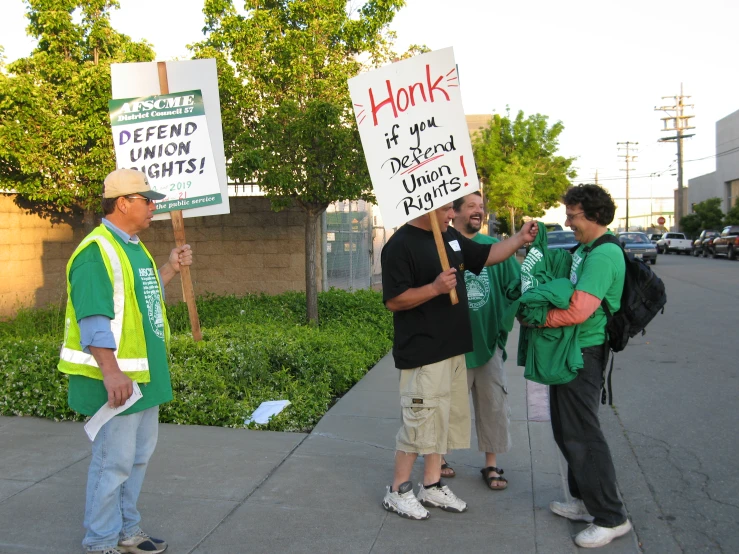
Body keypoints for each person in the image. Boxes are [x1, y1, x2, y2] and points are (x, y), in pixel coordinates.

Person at [58, 168, 192, 554]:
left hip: (143, 378)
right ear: (123, 203)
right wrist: (112, 372)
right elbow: (93, 319)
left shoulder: (132, 245)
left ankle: (127, 532)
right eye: (147, 201)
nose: (154, 207)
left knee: (135, 459)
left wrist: (170, 267)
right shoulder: (95, 252)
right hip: (117, 381)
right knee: (112, 462)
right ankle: (100, 542)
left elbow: (140, 296)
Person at [380, 201, 537, 520]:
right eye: (446, 210)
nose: (452, 215)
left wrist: (519, 239)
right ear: (425, 209)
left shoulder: (449, 236)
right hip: (423, 353)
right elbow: (394, 300)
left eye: (453, 209)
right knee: (419, 420)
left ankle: (432, 484)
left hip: (454, 351)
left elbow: (486, 256)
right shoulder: (399, 245)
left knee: (443, 422)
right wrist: (435, 288)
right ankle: (397, 491)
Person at [542, 184, 632, 548]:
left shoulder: (604, 255)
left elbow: (579, 309)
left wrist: (539, 320)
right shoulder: (585, 248)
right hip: (570, 351)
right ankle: (583, 501)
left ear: (593, 216)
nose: (567, 221)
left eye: (573, 215)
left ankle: (612, 517)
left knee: (583, 435)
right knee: (566, 431)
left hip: (585, 353)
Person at [445, 191, 520, 490]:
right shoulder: (444, 247)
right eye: (471, 206)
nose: (478, 211)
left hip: (489, 344)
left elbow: (515, 289)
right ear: (457, 211)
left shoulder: (494, 248)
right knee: (448, 407)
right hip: (453, 346)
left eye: (481, 206)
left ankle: (491, 465)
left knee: (493, 405)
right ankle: (440, 459)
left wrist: (502, 330)